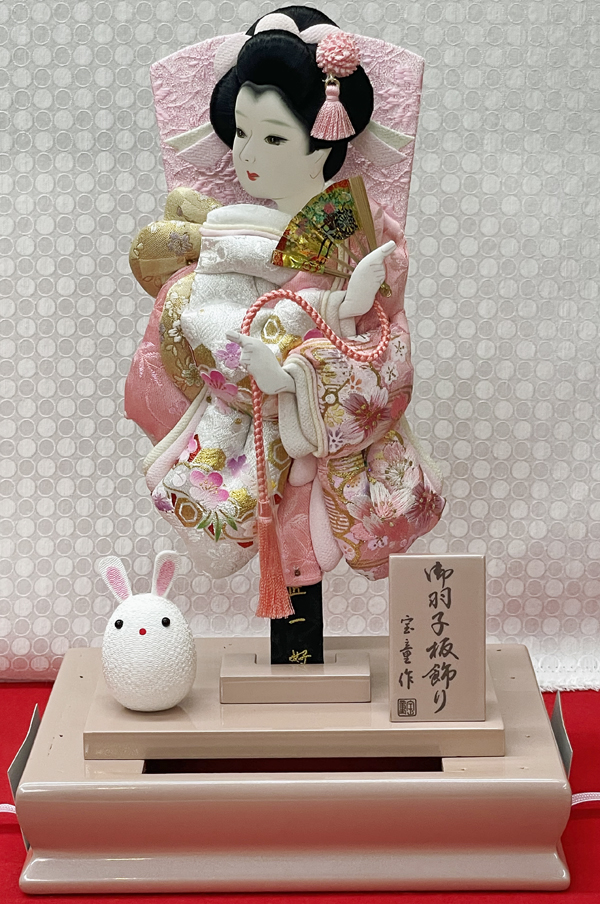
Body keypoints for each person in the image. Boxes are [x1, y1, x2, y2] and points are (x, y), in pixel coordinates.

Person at [127, 7, 445, 657]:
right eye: (241, 132)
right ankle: (292, 650)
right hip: (251, 432)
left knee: (324, 527)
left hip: (332, 434)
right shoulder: (226, 236)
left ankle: (302, 649)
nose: (246, 154)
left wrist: (318, 346)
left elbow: (387, 349)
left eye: (272, 139)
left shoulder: (366, 235)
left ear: (326, 141)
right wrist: (289, 351)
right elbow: (207, 326)